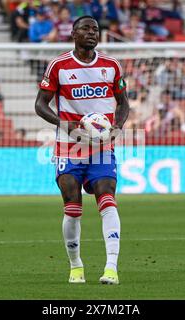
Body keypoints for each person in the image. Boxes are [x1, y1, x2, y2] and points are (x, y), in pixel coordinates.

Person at [34, 16, 129, 285]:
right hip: (69, 146)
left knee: (107, 197)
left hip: (102, 146)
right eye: (86, 29)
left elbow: (124, 103)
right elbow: (40, 105)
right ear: (73, 33)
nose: (92, 33)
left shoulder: (111, 66)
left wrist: (118, 127)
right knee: (72, 207)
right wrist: (65, 124)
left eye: (96, 29)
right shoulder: (59, 66)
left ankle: (111, 268)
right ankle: (76, 266)